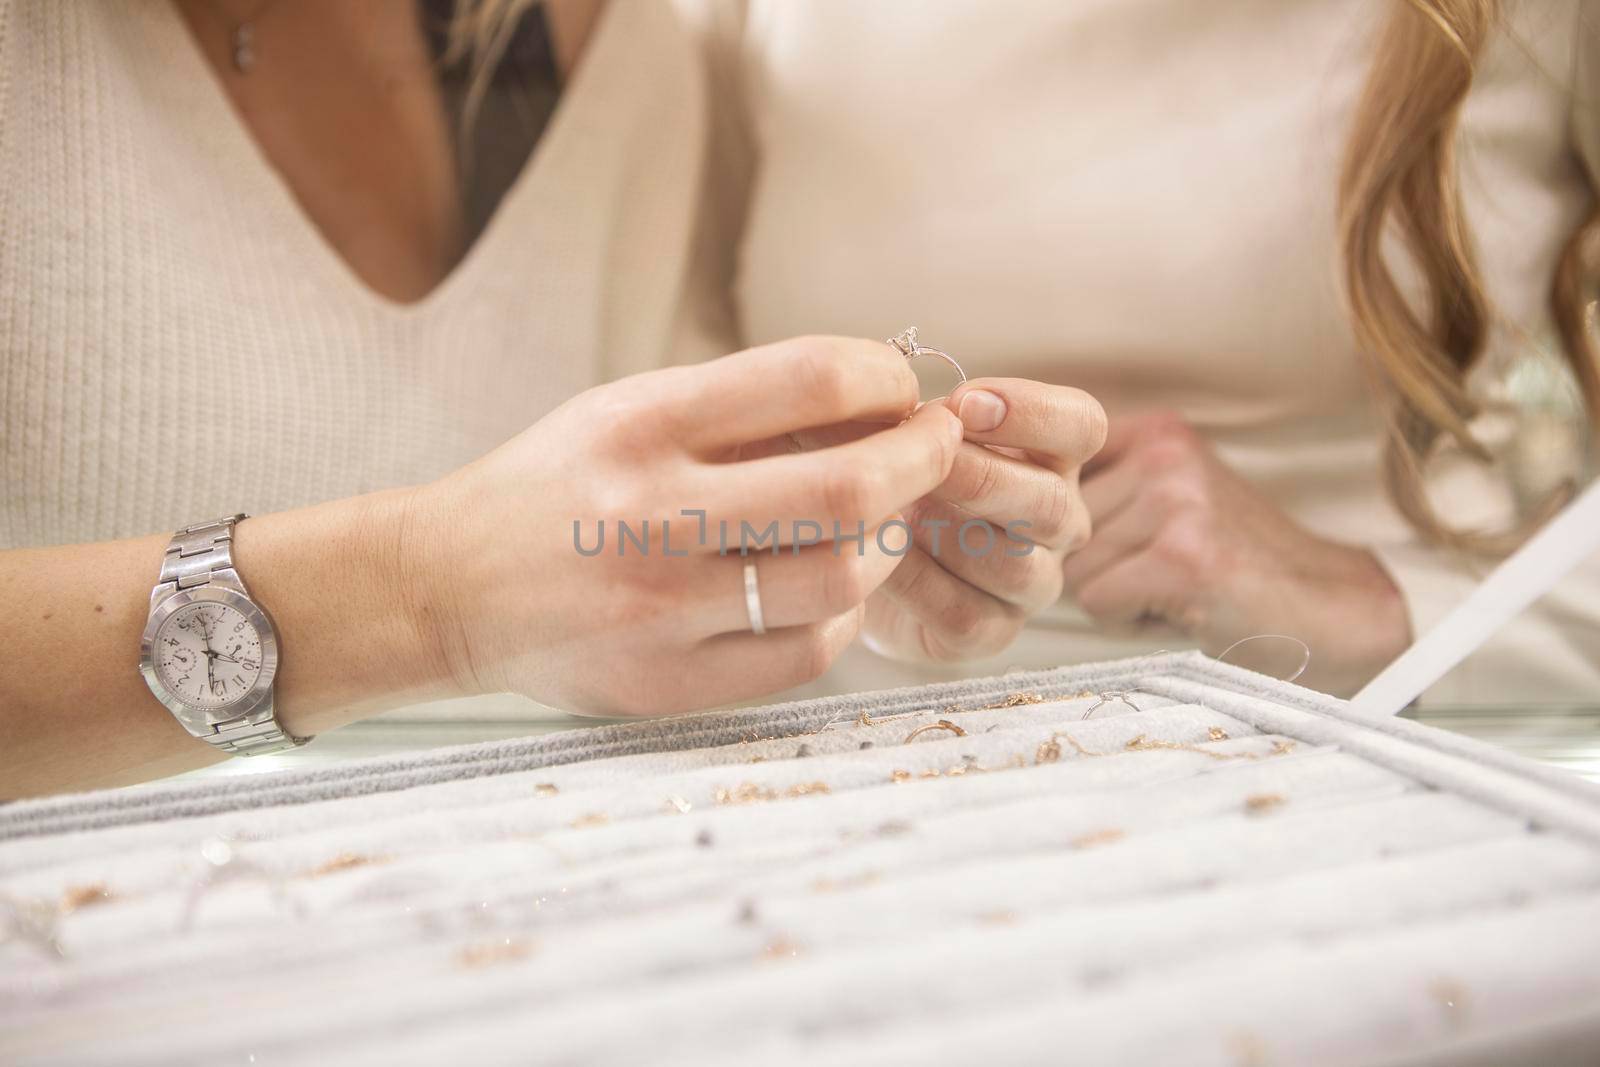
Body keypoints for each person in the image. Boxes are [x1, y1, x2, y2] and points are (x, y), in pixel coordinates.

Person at [0, 0, 1105, 796]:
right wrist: (427, 594)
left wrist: (812, 558)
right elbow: (502, 574)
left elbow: (614, 547)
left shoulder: (639, 53)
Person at [679, 0, 1600, 703]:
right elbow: (668, 371)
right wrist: (780, 534)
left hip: (1364, 742)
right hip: (825, 764)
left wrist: (1393, 609)